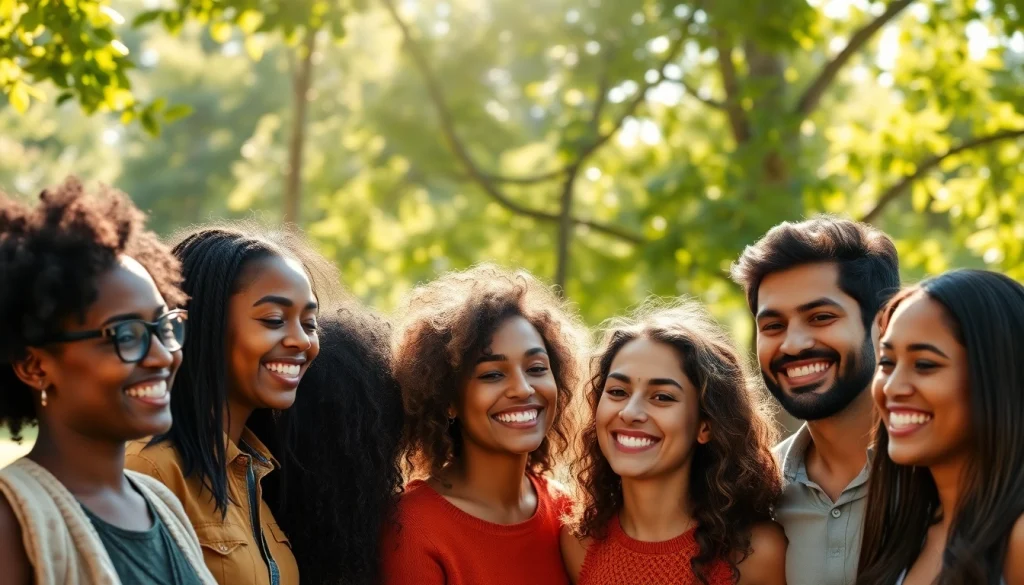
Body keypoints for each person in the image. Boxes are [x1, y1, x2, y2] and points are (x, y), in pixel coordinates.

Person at [126, 221, 404, 585]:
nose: (302, 341)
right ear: (203, 324)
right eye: (274, 319)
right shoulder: (152, 469)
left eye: (310, 322)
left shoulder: (254, 474)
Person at [0, 178, 217, 585]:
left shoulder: (162, 505)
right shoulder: (13, 519)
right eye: (126, 335)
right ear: (34, 366)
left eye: (164, 326)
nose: (162, 355)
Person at [381, 263, 586, 585]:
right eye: (492, 374)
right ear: (448, 399)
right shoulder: (413, 528)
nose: (523, 388)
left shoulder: (569, 513)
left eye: (536, 368)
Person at [561, 300, 787, 585]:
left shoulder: (755, 554)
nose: (629, 413)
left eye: (662, 397)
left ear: (705, 426)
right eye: (618, 391)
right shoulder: (578, 544)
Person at [729, 216, 900, 585]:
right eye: (773, 326)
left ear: (884, 324)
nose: (793, 344)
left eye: (821, 317)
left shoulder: (950, 472)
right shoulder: (753, 493)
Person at [856, 269, 1024, 585]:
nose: (892, 387)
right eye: (887, 363)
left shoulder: (1018, 538)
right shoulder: (906, 529)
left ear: (1001, 378)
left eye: (925, 364)